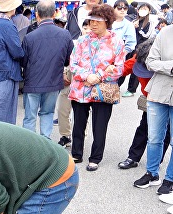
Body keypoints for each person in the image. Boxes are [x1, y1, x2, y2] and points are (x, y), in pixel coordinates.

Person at [68, 4, 126, 172]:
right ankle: (76, 153)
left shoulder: (117, 42)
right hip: (81, 88)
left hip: (102, 89)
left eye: (98, 21)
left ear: (107, 22)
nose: (93, 24)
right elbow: (74, 64)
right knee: (78, 123)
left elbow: (119, 68)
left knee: (99, 126)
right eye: (91, 20)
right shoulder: (82, 40)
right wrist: (87, 76)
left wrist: (98, 76)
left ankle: (95, 158)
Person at [21, 0, 73, 139]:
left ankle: (29, 144)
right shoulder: (65, 35)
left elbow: (23, 61)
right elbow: (69, 59)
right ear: (55, 13)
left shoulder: (29, 37)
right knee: (47, 113)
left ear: (37, 14)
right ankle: (45, 142)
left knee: (30, 117)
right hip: (53, 80)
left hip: (32, 82)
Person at [118, 38, 170, 170]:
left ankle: (156, 161)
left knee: (166, 131)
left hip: (169, 97)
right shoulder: (139, 57)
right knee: (144, 127)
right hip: (151, 99)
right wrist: (107, 72)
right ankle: (133, 157)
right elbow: (122, 69)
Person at [133, 25, 173, 194]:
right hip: (158, 92)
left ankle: (170, 179)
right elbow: (150, 62)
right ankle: (152, 173)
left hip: (162, 88)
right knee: (154, 137)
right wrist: (170, 67)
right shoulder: (165, 32)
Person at [56, 19, 91, 148]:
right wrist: (63, 72)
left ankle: (80, 137)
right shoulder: (74, 42)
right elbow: (64, 59)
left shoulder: (96, 44)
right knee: (62, 108)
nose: (87, 30)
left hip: (86, 81)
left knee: (83, 111)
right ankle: (65, 135)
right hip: (70, 77)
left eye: (90, 27)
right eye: (85, 27)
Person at [124, 2, 157, 97]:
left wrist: (138, 29)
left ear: (149, 11)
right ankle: (117, 84)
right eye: (141, 8)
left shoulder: (150, 23)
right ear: (137, 10)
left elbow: (148, 35)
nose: (143, 11)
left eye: (145, 9)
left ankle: (131, 89)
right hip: (130, 47)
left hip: (142, 50)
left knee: (137, 70)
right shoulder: (133, 20)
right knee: (126, 65)